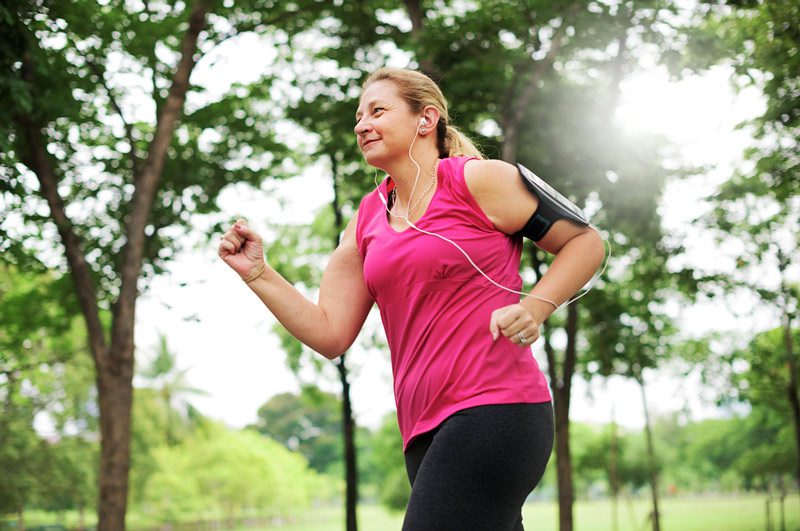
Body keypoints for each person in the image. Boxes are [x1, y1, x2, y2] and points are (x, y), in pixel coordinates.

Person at [218, 67, 606, 530]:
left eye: (377, 111)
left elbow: (586, 243)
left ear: (427, 119)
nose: (362, 124)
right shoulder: (365, 221)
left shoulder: (479, 181)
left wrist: (535, 305)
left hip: (496, 407)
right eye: (358, 116)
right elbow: (330, 333)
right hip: (422, 427)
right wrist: (259, 274)